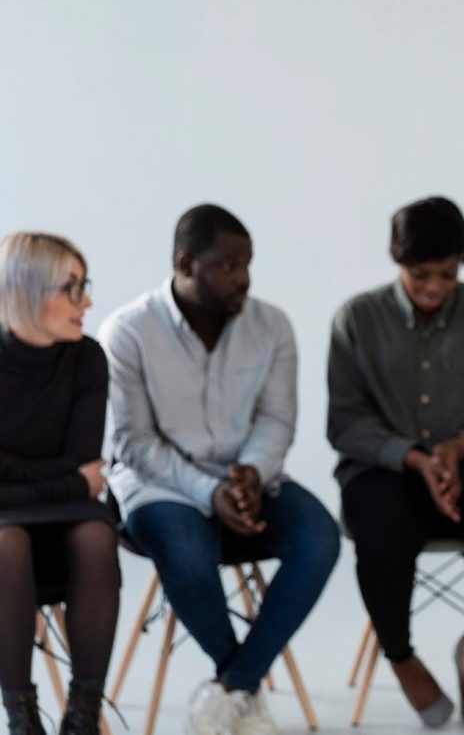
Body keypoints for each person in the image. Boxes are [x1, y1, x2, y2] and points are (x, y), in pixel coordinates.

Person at [102, 204, 339, 735]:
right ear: (186, 264)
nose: (244, 278)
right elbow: (133, 442)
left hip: (248, 476)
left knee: (320, 538)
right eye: (228, 266)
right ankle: (244, 689)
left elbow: (277, 419)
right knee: (186, 548)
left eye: (248, 263)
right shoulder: (127, 331)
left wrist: (252, 473)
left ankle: (232, 687)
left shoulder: (271, 324)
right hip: (158, 483)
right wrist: (210, 494)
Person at [328, 195, 464, 727]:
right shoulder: (357, 318)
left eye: (447, 275)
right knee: (379, 536)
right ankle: (399, 657)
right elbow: (346, 423)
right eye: (420, 274)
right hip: (385, 474)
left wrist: (459, 448)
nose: (433, 288)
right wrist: (414, 458)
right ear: (396, 260)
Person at [0, 232, 119, 735]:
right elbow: (79, 477)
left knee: (95, 536)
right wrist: (67, 481)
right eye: (72, 288)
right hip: (9, 529)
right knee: (5, 544)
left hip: (65, 519)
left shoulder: (87, 358)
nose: (87, 300)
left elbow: (85, 462)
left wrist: (19, 473)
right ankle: (22, 716)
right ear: (28, 290)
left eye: (84, 284)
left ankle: (82, 713)